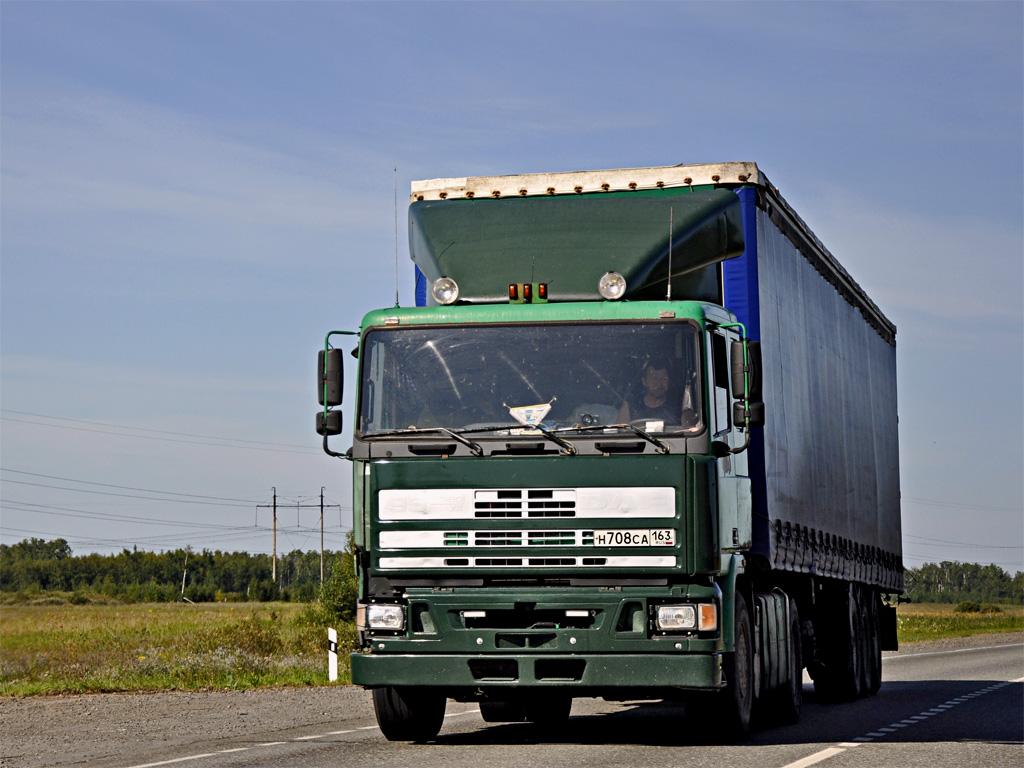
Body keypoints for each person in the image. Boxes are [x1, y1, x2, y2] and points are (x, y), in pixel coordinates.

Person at [618, 360, 699, 428]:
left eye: (663, 378)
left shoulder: (680, 406)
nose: (659, 383)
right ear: (644, 381)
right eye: (654, 378)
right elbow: (619, 434)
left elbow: (689, 431)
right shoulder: (631, 406)